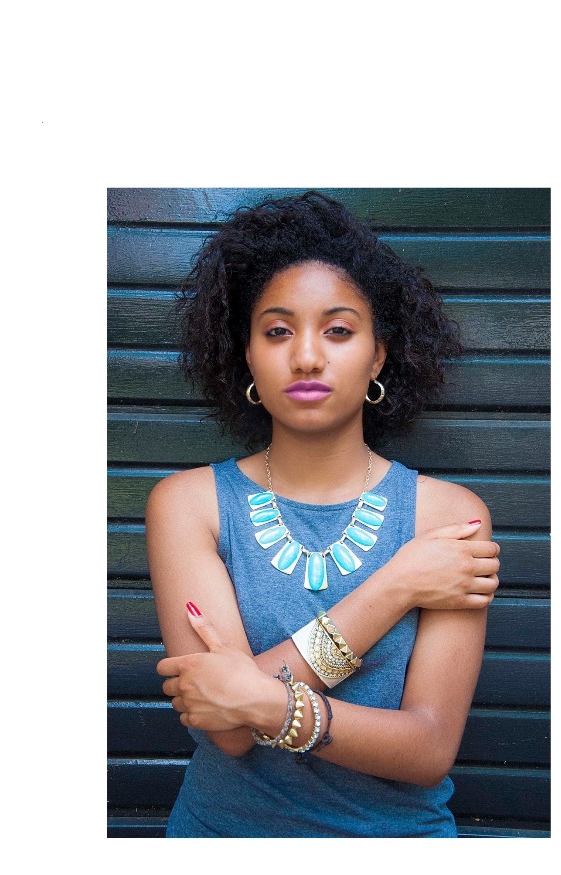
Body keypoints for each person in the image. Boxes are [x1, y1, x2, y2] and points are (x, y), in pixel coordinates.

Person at [146, 190, 500, 838]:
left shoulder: (448, 517)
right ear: (247, 354)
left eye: (338, 330)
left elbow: (427, 749)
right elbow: (228, 731)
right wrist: (396, 587)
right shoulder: (187, 505)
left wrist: (264, 699)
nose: (307, 356)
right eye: (277, 331)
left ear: (378, 354)